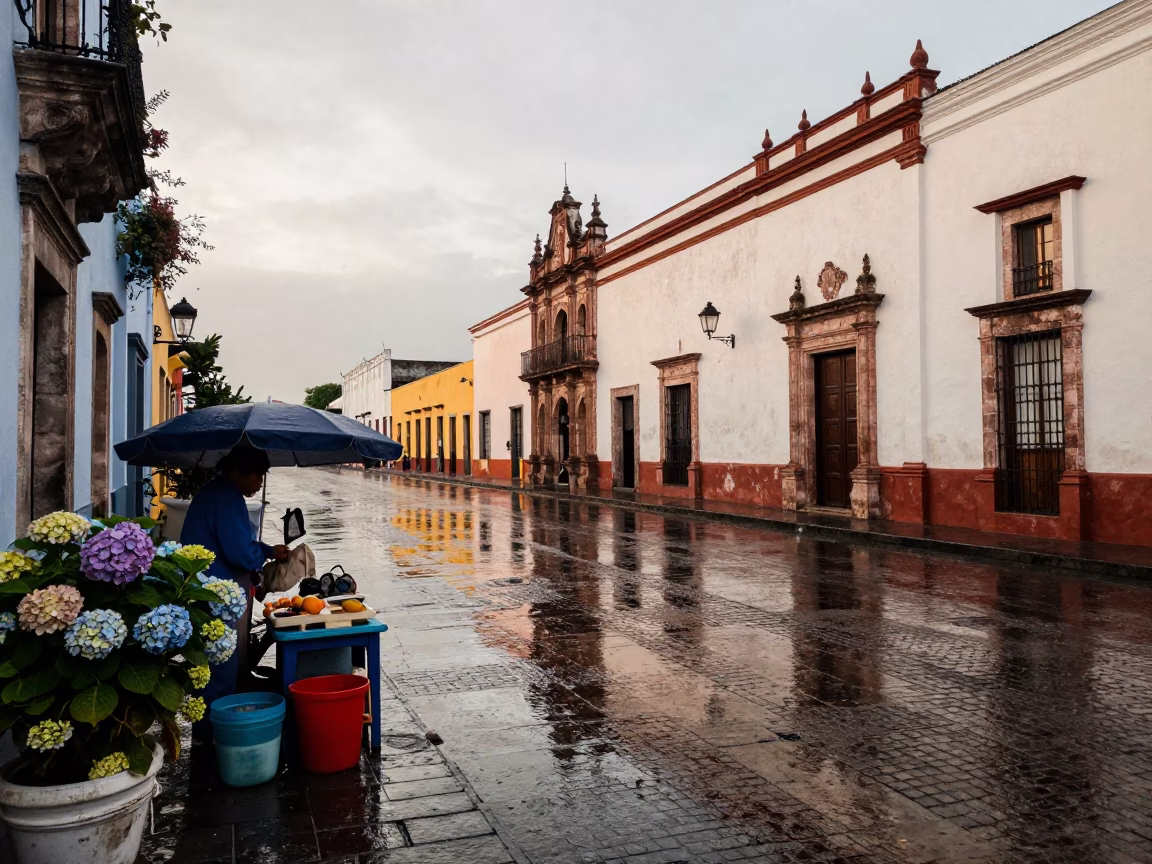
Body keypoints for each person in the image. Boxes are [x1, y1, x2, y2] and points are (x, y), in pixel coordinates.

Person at [180, 445, 289, 741]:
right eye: (258, 476)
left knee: (218, 667)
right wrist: (262, 554)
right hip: (215, 597)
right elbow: (241, 553)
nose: (259, 484)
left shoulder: (218, 493)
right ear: (240, 471)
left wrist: (266, 550)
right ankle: (216, 737)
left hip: (212, 592)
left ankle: (213, 731)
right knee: (220, 669)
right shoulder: (226, 498)